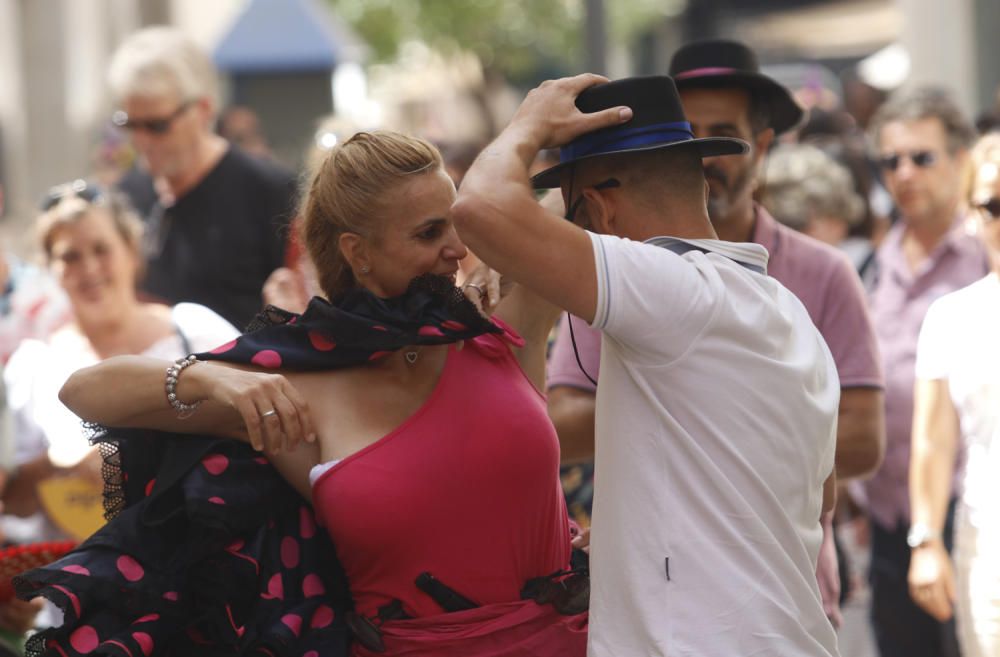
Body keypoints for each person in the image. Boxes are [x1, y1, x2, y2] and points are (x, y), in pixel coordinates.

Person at [26, 132, 587, 656]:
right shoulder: (294, 388)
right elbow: (84, 392)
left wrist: (517, 163)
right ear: (357, 252)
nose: (457, 250)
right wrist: (206, 376)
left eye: (458, 225)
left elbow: (579, 201)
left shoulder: (496, 331)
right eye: (429, 233)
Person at [452, 73, 841, 656]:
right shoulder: (785, 309)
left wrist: (528, 123)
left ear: (602, 212)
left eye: (575, 216)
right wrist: (634, 538)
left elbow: (479, 207)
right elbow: (818, 495)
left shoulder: (671, 287)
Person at [546, 40, 884, 625]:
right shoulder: (618, 273)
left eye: (717, 132)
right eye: (685, 133)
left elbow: (859, 442)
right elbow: (562, 421)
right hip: (681, 598)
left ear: (764, 143)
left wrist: (695, 407)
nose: (698, 155)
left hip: (782, 595)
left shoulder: (820, 274)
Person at [861, 86, 990, 657]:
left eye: (922, 157)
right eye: (891, 161)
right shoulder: (873, 262)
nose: (905, 172)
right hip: (892, 521)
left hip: (972, 515)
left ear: (961, 161)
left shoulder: (987, 249)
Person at [110, 26, 297, 328]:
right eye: (130, 124)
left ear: (204, 110)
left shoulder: (270, 190)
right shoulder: (123, 197)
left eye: (157, 125)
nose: (141, 140)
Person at [907, 132, 1000, 657]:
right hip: (987, 546)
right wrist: (926, 541)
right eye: (993, 205)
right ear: (970, 214)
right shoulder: (951, 317)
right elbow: (933, 442)